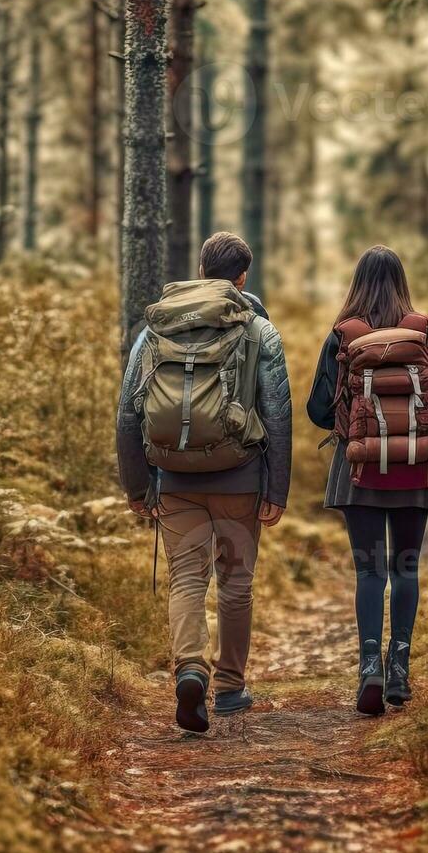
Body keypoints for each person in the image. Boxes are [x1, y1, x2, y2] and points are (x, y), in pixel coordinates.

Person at [116, 231, 291, 733]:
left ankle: (189, 668)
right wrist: (276, 490)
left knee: (188, 579)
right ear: (242, 277)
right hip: (239, 477)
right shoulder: (259, 330)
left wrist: (135, 486)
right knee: (236, 583)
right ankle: (230, 687)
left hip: (174, 478)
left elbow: (129, 414)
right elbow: (276, 413)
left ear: (200, 269)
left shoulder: (155, 331)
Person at [307, 246, 428, 715]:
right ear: (401, 282)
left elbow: (315, 410)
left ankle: (369, 665)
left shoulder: (343, 336)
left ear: (357, 283)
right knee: (406, 570)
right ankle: (399, 671)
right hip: (415, 470)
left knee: (370, 572)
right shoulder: (422, 333)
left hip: (360, 474)